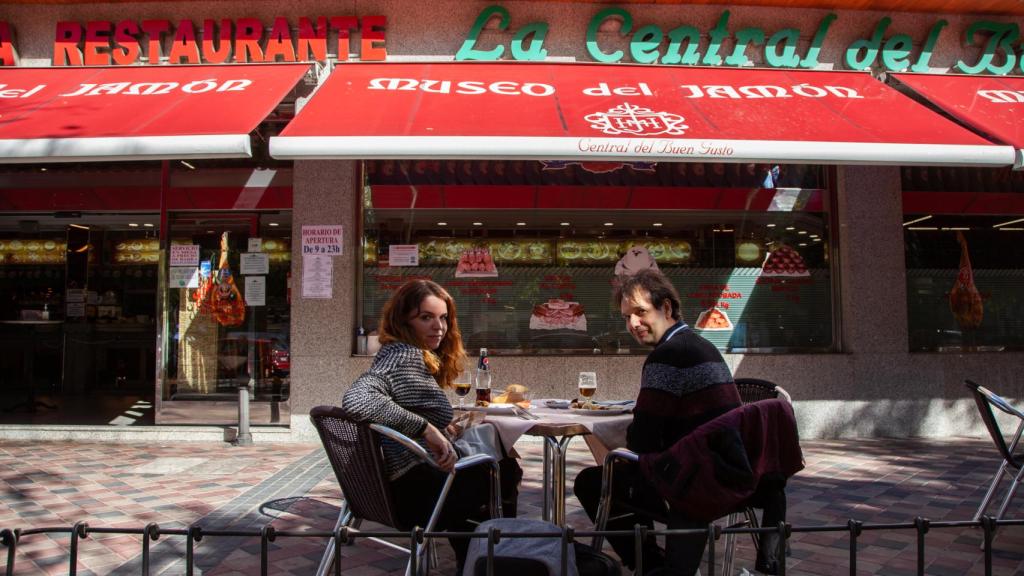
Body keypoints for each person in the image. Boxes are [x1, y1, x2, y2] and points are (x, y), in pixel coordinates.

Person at [574, 270, 786, 575]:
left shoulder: (668, 356)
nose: (632, 324)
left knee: (594, 481)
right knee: (625, 474)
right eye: (626, 317)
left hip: (697, 481)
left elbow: (642, 441)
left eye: (640, 312)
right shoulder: (702, 347)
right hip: (734, 473)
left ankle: (651, 565)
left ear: (667, 308)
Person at [342, 279, 522, 570]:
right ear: (403, 320)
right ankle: (495, 561)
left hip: (389, 491)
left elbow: (401, 407)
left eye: (443, 318)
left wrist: (442, 429)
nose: (438, 326)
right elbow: (357, 399)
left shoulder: (402, 356)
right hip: (411, 496)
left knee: (485, 474)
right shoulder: (403, 355)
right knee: (502, 471)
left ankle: (478, 561)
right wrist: (425, 429)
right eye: (426, 317)